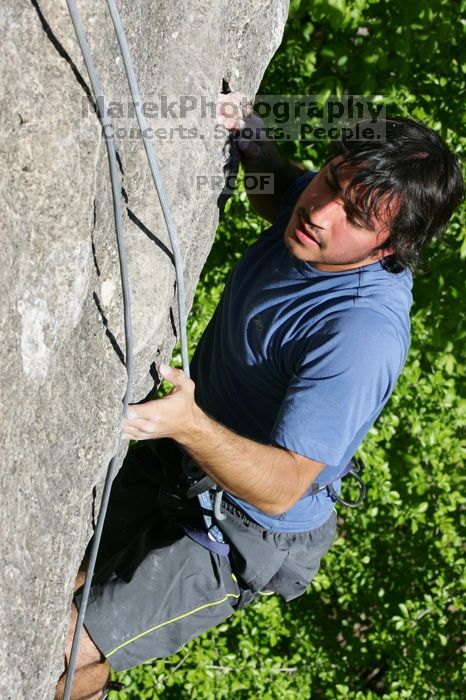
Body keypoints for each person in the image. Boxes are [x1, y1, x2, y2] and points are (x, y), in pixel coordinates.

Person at [56, 92, 463, 699]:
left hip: (247, 528)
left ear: (388, 249)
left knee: (67, 644)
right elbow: (280, 194)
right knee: (58, 583)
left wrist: (189, 425)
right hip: (187, 451)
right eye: (330, 179)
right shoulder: (314, 219)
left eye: (353, 214)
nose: (321, 211)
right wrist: (255, 145)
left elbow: (284, 486)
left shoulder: (360, 333)